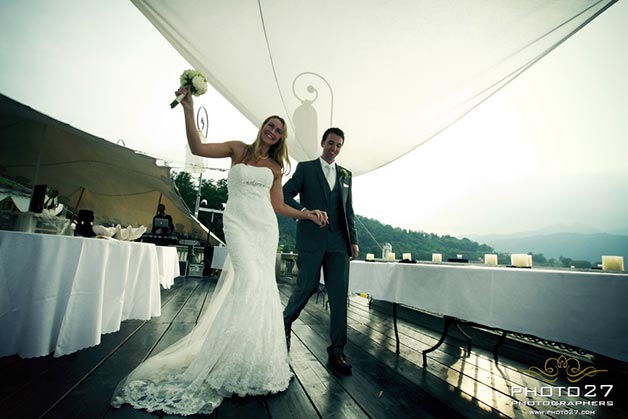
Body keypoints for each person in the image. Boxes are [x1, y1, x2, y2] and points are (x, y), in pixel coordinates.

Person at [111, 86, 328, 416]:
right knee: (248, 281)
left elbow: (279, 206)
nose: (273, 131)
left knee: (260, 287)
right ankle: (225, 356)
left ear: (281, 139)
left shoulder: (274, 168)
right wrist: (189, 108)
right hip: (238, 223)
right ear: (263, 127)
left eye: (278, 131)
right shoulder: (237, 149)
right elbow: (197, 147)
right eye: (270, 125)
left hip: (264, 228)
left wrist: (307, 214)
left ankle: (252, 359)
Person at [282, 127, 359, 375]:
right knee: (307, 286)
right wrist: (305, 212)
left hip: (339, 242)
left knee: (338, 296)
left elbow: (348, 210)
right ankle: (283, 325)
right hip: (312, 239)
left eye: (338, 145)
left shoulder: (346, 175)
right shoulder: (306, 168)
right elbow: (284, 194)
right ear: (323, 142)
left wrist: (353, 240)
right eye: (331, 143)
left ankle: (337, 350)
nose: (334, 148)